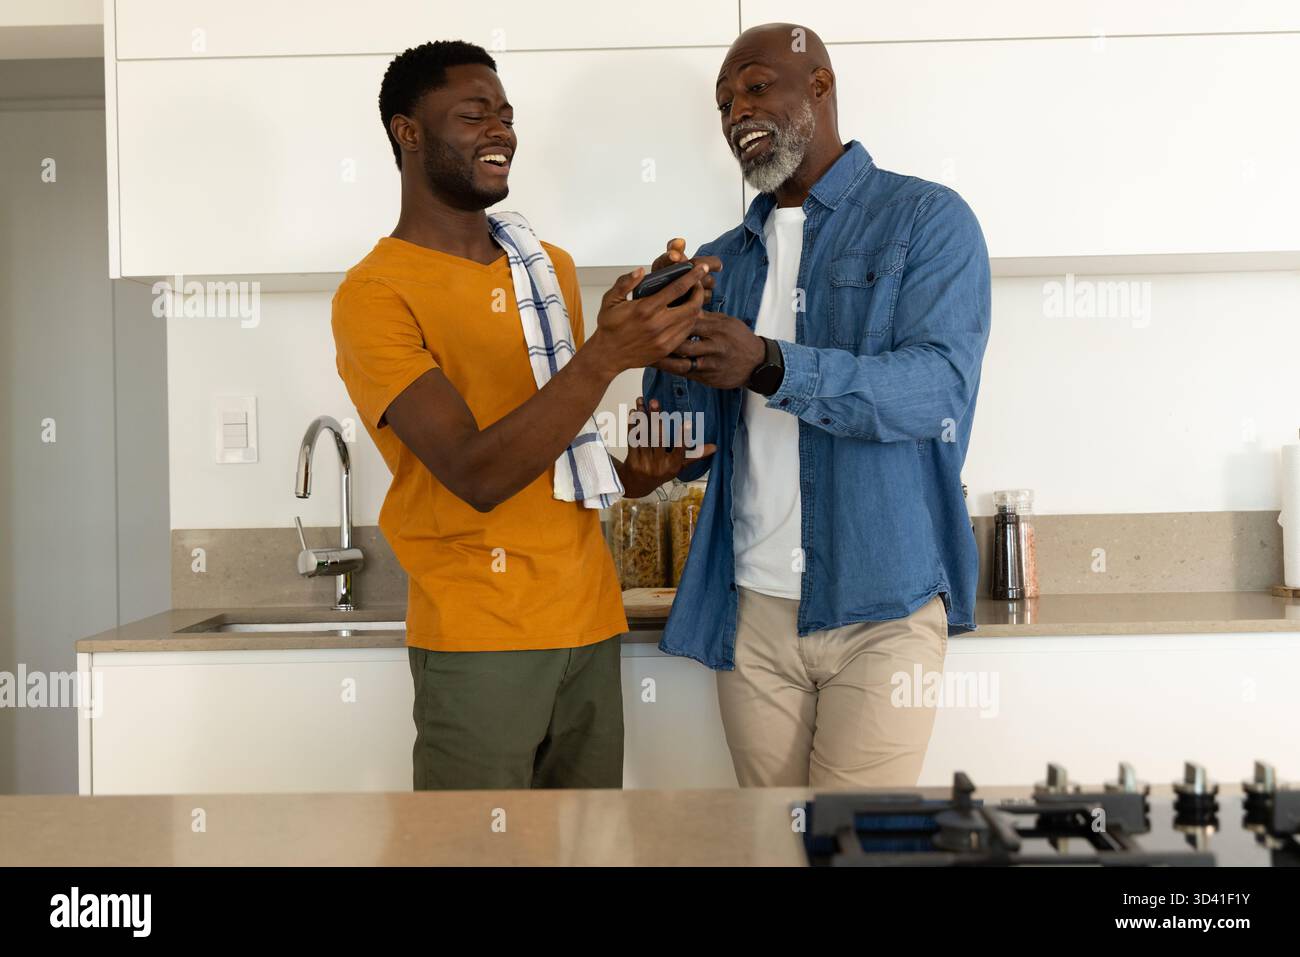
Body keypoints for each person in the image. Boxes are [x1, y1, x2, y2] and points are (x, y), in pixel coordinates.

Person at [332, 40, 708, 789]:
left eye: (506, 115)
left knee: (587, 845)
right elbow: (474, 470)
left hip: (589, 621)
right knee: (472, 852)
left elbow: (550, 442)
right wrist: (605, 355)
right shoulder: (374, 294)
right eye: (475, 115)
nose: (501, 130)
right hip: (479, 635)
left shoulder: (548, 268)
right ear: (408, 132)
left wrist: (634, 473)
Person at [643, 23, 991, 788]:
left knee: (857, 846)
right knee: (771, 845)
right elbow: (683, 450)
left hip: (884, 608)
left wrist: (768, 364)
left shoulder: (928, 220)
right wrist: (655, 346)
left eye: (756, 86)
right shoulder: (720, 260)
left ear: (821, 88)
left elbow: (935, 389)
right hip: (752, 610)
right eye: (724, 101)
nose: (737, 111)